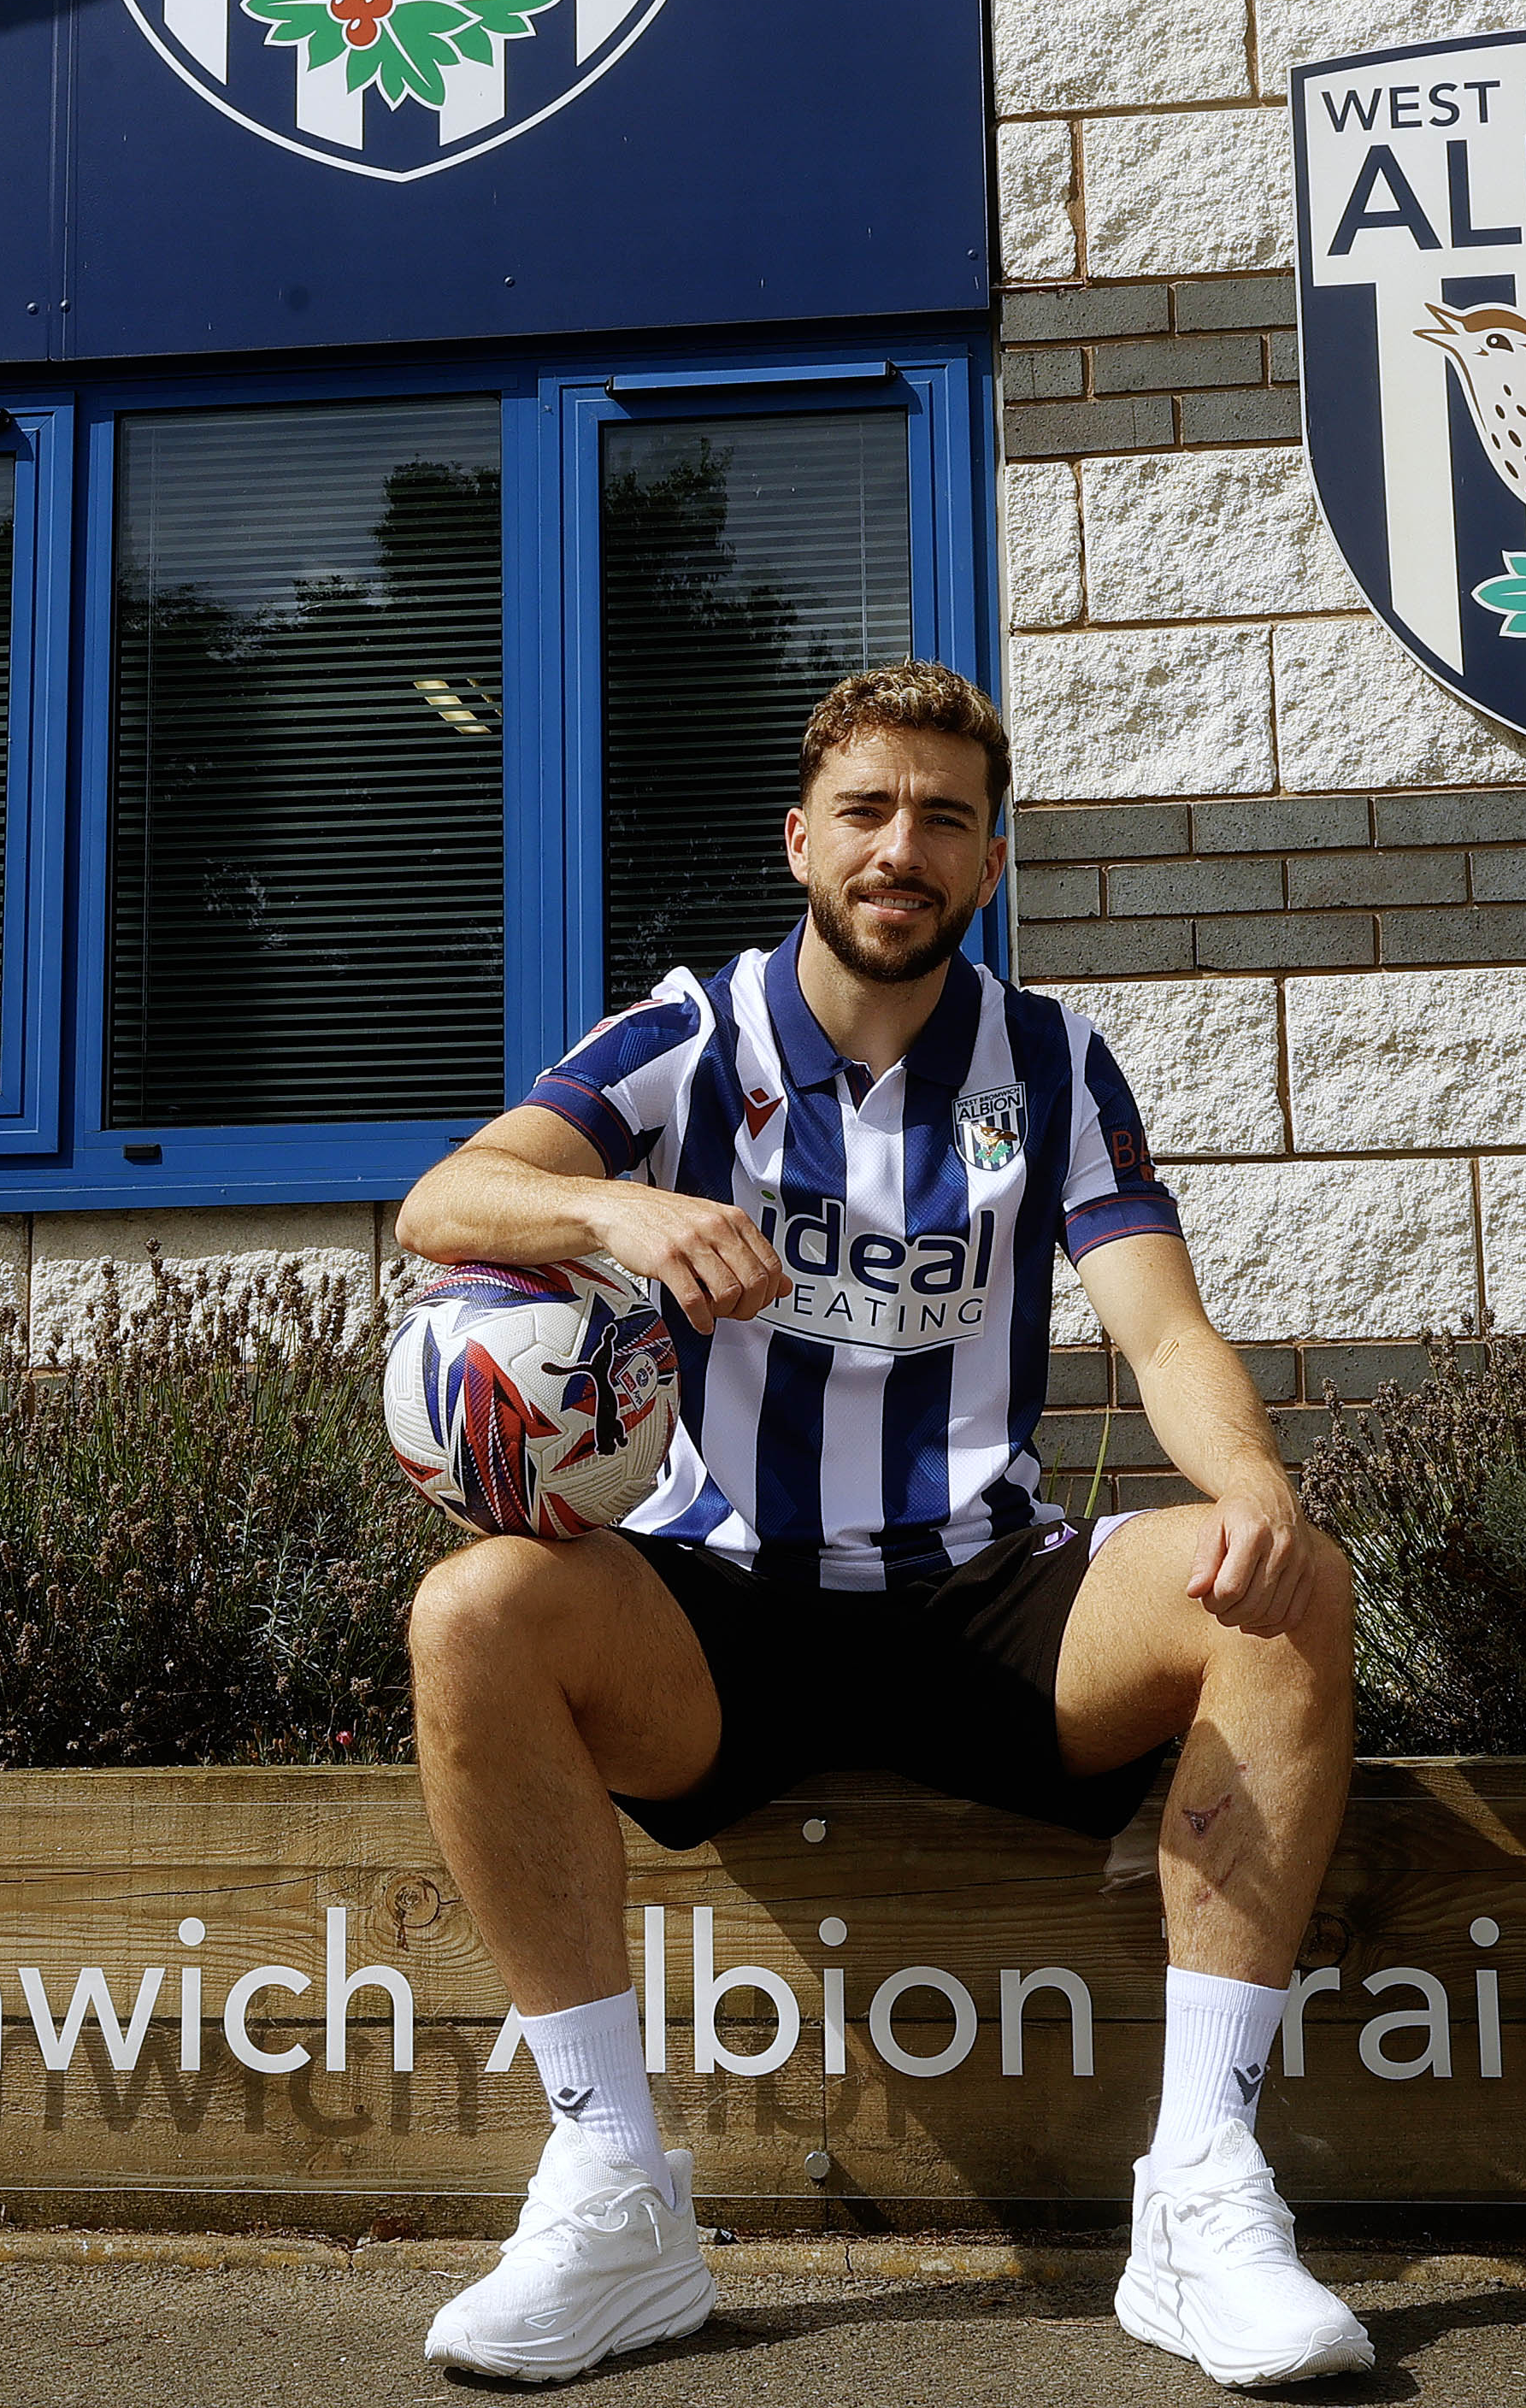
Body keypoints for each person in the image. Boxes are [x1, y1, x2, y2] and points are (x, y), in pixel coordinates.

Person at [392, 660, 1370, 2390]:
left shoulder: (1050, 1063)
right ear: (801, 839)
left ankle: (1202, 2194)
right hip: (718, 1605)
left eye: (942, 818)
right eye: (867, 810)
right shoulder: (688, 1036)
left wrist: (1257, 1491)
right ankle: (614, 2194)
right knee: (472, 1610)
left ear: (990, 862)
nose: (899, 847)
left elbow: (1160, 1326)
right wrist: (613, 1207)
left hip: (983, 1596)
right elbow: (444, 1203)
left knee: (1276, 1596)